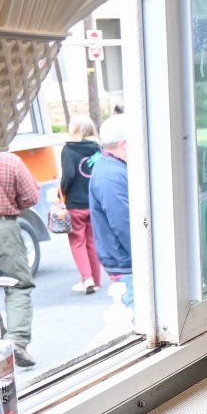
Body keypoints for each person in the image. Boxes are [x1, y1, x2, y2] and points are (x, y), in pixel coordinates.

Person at [0, 148, 41, 367]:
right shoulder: (9, 160)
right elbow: (32, 196)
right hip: (3, 226)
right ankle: (16, 341)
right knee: (18, 285)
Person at [89, 113, 134, 308]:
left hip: (125, 262)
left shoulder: (113, 168)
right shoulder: (111, 175)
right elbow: (124, 223)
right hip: (127, 265)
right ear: (124, 144)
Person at [58, 118, 105, 294]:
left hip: (75, 204)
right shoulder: (97, 149)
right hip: (94, 203)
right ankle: (97, 280)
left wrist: (61, 192)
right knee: (92, 242)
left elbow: (68, 174)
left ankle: (87, 279)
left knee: (78, 242)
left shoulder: (69, 149)